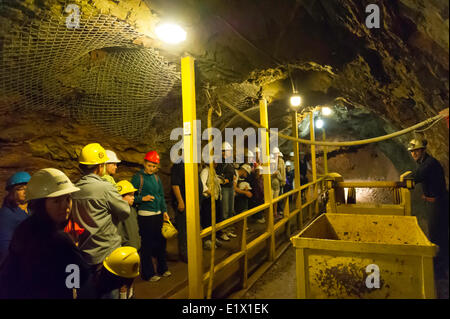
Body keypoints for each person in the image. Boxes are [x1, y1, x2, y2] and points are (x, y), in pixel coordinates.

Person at [0, 168, 93, 299]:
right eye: (56, 201)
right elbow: (79, 276)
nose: (65, 206)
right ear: (40, 204)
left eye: (68, 199)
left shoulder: (24, 229)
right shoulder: (60, 239)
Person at [72, 143, 130, 299]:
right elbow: (125, 211)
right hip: (106, 253)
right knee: (110, 293)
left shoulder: (74, 189)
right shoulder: (105, 188)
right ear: (100, 167)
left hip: (85, 253)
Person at [408, 139, 449, 277]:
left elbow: (417, 176)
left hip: (438, 204)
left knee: (437, 235)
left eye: (416, 151)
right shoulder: (424, 163)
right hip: (434, 202)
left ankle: (440, 270)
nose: (414, 154)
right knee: (437, 233)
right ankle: (440, 267)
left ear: (423, 150)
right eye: (412, 151)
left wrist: (403, 181)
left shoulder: (429, 164)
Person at [131, 150, 171, 282]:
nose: (151, 168)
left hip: (157, 214)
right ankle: (148, 273)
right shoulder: (138, 178)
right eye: (149, 165)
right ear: (144, 163)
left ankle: (162, 268)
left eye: (154, 166)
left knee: (161, 242)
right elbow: (130, 197)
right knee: (147, 244)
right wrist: (143, 198)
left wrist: (164, 211)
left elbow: (160, 195)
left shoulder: (156, 178)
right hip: (145, 215)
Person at [0, 171, 31, 264]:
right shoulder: (7, 215)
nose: (25, 191)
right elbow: (5, 248)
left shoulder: (31, 211)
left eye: (28, 188)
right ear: (12, 192)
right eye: (20, 189)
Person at [200, 161, 223, 249]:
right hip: (208, 199)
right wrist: (210, 193)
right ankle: (207, 240)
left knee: (215, 219)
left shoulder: (212, 171)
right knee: (208, 220)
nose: (216, 162)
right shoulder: (205, 171)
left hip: (214, 199)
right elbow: (202, 184)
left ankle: (213, 238)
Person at [216, 142, 236, 239]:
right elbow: (218, 175)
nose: (224, 153)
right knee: (224, 211)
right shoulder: (220, 162)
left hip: (230, 187)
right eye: (223, 151)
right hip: (224, 188)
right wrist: (224, 180)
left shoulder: (230, 161)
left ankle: (228, 230)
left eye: (226, 151)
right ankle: (223, 232)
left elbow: (232, 174)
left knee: (230, 210)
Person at [170, 158, 188, 262]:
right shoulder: (179, 165)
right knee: (183, 230)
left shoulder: (190, 165)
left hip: (190, 204)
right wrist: (181, 201)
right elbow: (175, 185)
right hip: (184, 204)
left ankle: (190, 250)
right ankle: (184, 254)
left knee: (189, 229)